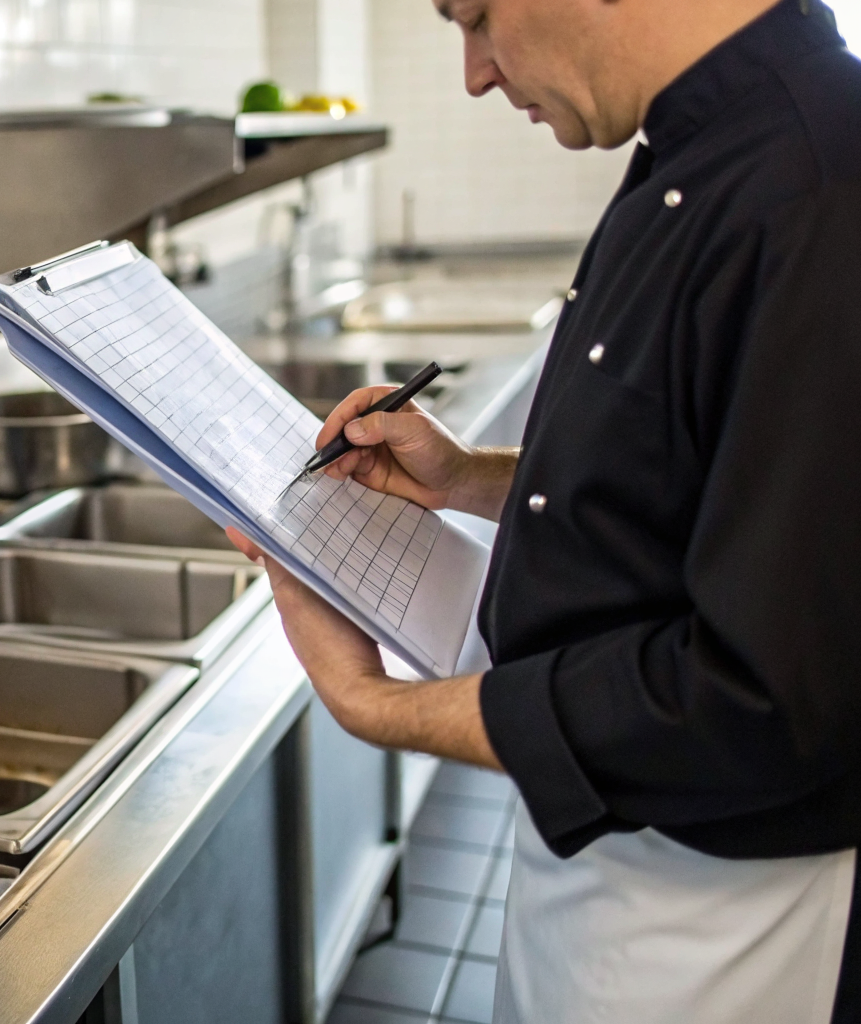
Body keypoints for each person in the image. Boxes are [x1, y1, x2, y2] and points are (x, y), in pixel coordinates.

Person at [225, 0, 861, 1019]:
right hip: (606, 866)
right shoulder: (695, 145)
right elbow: (691, 472)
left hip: (724, 915)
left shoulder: (825, 187)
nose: (476, 72)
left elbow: (759, 700)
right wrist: (467, 474)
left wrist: (375, 706)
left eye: (476, 16)